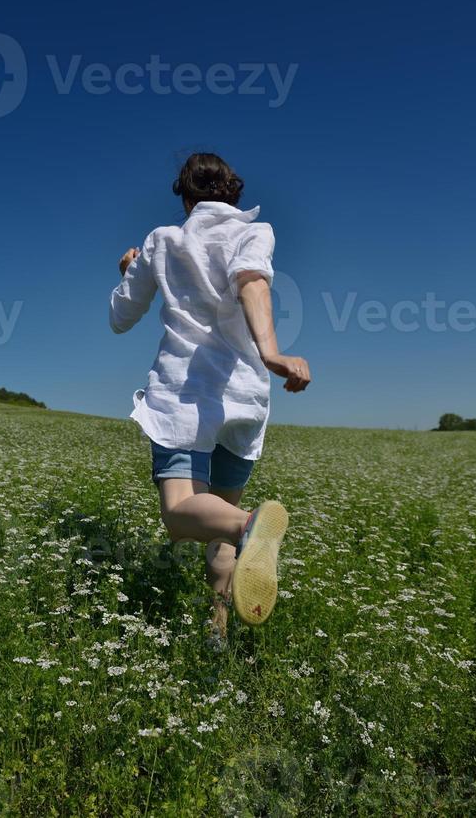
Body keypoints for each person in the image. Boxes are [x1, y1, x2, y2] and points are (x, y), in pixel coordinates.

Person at [109, 152, 311, 642]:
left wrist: (127, 270)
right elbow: (252, 284)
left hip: (183, 398)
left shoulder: (163, 240)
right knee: (214, 524)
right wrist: (272, 353)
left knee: (183, 514)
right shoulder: (255, 232)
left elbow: (120, 317)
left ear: (184, 195)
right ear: (233, 193)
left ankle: (251, 527)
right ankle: (216, 630)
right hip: (244, 399)